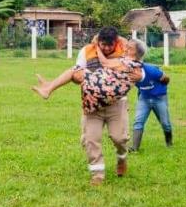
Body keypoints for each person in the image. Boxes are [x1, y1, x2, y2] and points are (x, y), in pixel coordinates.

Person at [34, 27, 138, 186]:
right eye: (104, 44)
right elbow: (77, 75)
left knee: (120, 138)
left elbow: (134, 64)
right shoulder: (86, 51)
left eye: (110, 45)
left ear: (116, 41)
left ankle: (122, 158)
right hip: (92, 104)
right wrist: (79, 78)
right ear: (99, 41)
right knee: (90, 139)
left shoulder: (124, 50)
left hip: (116, 104)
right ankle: (97, 174)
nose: (107, 48)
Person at [130, 40, 172, 151]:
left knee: (165, 123)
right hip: (144, 98)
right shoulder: (128, 70)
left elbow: (166, 78)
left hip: (159, 98)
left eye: (130, 49)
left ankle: (169, 143)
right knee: (138, 121)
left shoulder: (151, 70)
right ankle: (134, 148)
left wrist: (159, 89)